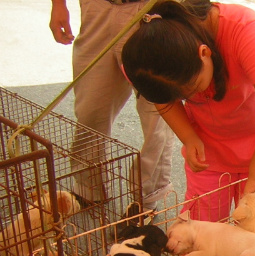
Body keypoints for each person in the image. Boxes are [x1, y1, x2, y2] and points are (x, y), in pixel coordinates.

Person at [121, 0, 255, 222]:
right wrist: (188, 137)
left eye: (191, 89)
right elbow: (163, 99)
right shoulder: (144, 60)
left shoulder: (243, 28)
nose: (187, 100)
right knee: (201, 224)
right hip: (211, 147)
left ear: (204, 53)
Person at [49, 0, 175, 218]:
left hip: (151, 8)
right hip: (98, 8)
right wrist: (58, 4)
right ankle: (89, 187)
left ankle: (146, 200)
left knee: (157, 114)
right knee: (91, 107)